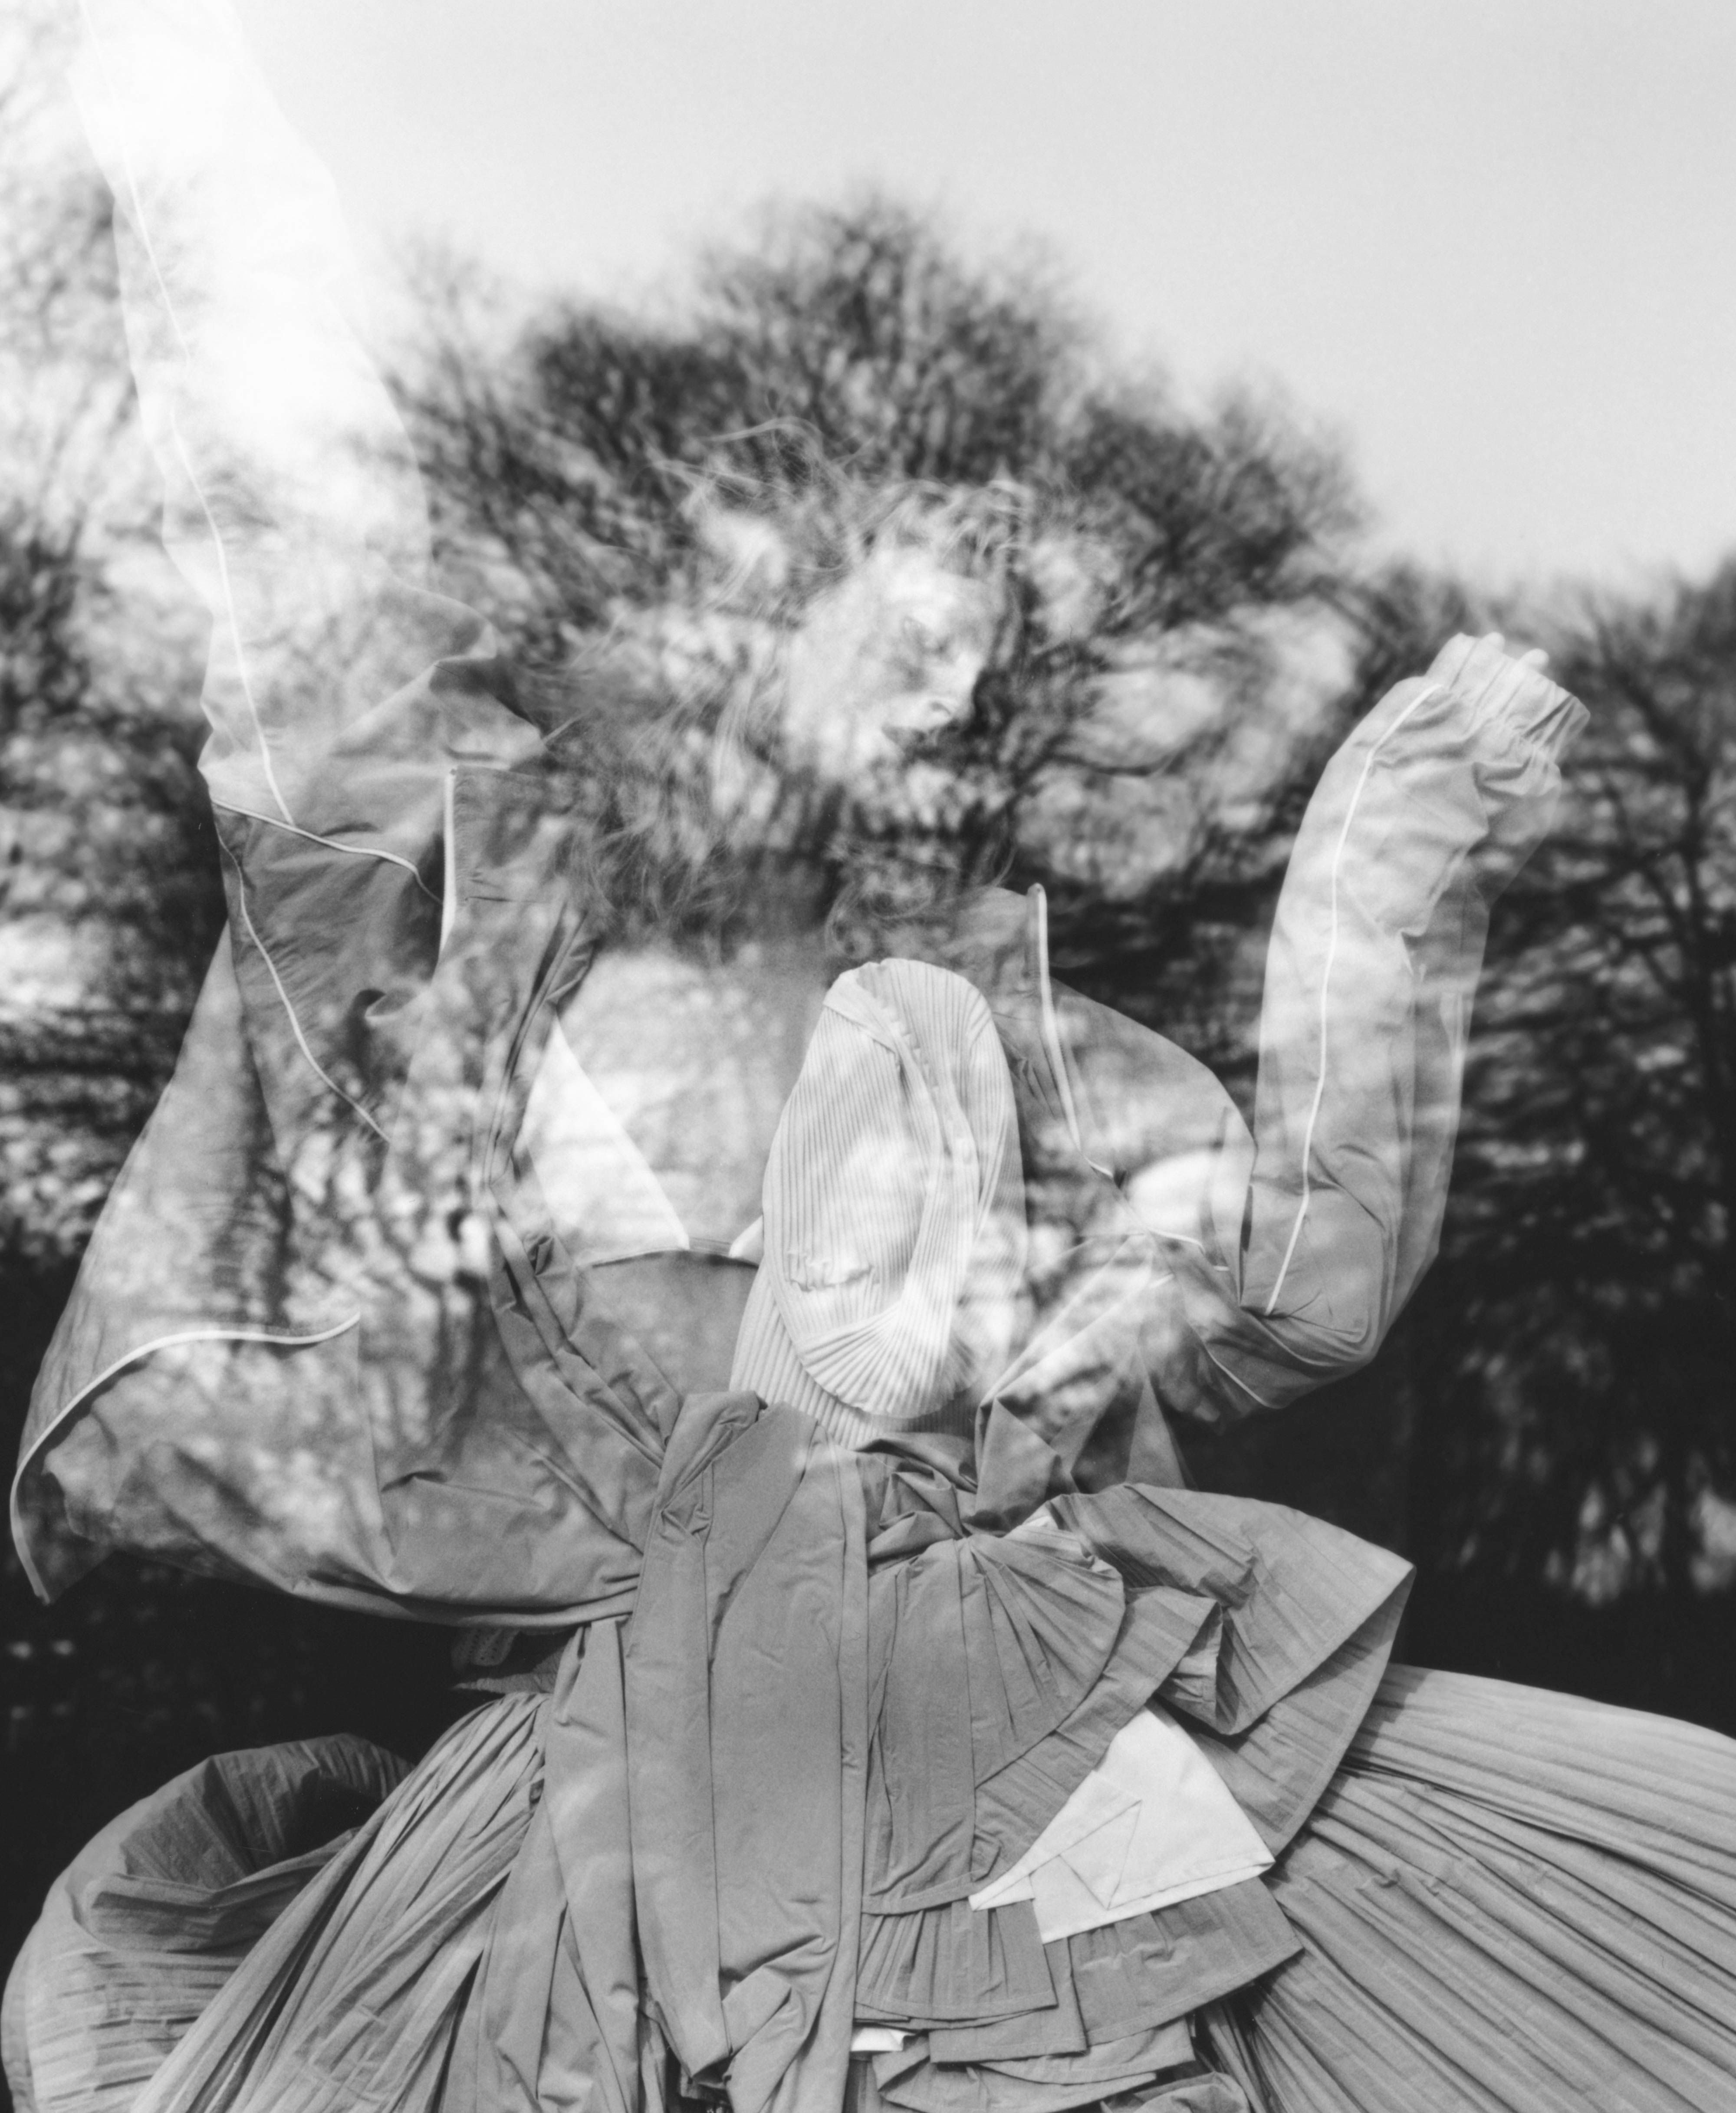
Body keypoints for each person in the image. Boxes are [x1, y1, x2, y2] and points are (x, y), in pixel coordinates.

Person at [7, 4, 1736, 2111]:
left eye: (976, 661)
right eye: (900, 631)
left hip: (1049, 1785)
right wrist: (187, 131)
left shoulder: (996, 1047)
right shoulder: (477, 966)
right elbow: (300, 574)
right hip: (615, 1869)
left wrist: (1373, 891)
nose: (943, 703)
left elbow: (1299, 1285)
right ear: (744, 612)